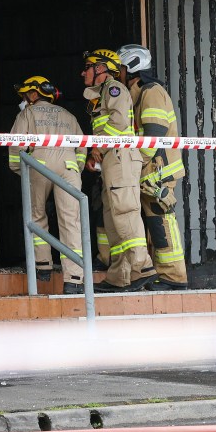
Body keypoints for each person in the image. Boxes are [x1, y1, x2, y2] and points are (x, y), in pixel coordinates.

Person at [82, 49, 157, 292]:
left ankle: (141, 266)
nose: (83, 72)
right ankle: (121, 276)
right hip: (112, 160)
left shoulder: (115, 89)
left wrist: (98, 148)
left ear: (101, 69)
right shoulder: (103, 93)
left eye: (88, 67)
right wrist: (97, 152)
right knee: (113, 217)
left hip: (119, 157)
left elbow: (119, 125)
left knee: (125, 211)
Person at [8, 76, 88, 294]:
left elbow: (16, 147)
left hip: (39, 164)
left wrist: (21, 171)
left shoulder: (28, 113)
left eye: (26, 95)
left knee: (37, 215)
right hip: (69, 166)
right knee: (71, 220)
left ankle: (43, 266)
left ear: (34, 94)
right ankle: (74, 279)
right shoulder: (69, 116)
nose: (24, 99)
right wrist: (75, 168)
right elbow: (82, 147)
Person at [118, 44, 188, 290]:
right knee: (153, 227)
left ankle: (174, 278)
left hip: (158, 172)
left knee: (161, 223)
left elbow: (154, 134)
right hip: (149, 172)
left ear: (133, 67)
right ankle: (163, 274)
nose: (120, 74)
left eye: (122, 69)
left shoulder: (152, 91)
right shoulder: (138, 94)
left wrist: (136, 162)